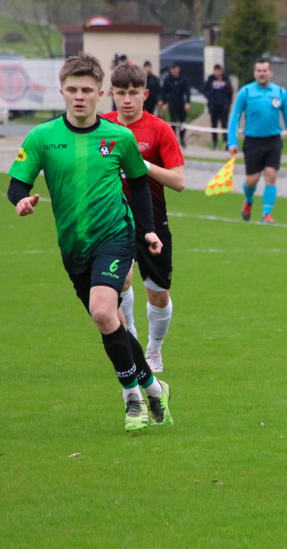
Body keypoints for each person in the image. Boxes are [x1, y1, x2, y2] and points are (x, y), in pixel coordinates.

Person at [6, 52, 173, 432]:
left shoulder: (119, 137)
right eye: (72, 90)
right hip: (73, 246)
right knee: (109, 321)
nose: (79, 96)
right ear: (61, 92)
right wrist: (22, 201)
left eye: (86, 90)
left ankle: (132, 398)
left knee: (103, 311)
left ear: (100, 94)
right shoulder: (42, 138)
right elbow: (17, 183)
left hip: (115, 237)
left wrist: (146, 229)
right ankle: (153, 385)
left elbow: (138, 185)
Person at [102, 64, 186, 374]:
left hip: (153, 221)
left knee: (158, 294)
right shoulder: (102, 126)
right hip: (113, 221)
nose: (126, 100)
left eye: (133, 93)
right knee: (120, 282)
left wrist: (141, 164)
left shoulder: (160, 130)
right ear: (111, 94)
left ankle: (154, 348)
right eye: (120, 93)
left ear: (145, 94)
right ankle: (132, 340)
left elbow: (179, 182)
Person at [227, 57, 287, 224]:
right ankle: (248, 201)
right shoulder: (246, 92)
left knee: (271, 175)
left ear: (270, 73)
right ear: (254, 73)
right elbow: (235, 118)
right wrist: (232, 141)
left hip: (273, 141)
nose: (261, 74)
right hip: (252, 142)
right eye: (258, 71)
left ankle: (266, 214)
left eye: (264, 71)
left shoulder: (280, 92)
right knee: (252, 180)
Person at [204, 64, 234, 151]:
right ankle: (214, 143)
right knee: (214, 125)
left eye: (219, 71)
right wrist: (210, 97)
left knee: (224, 125)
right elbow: (205, 90)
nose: (217, 73)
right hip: (213, 107)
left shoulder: (226, 80)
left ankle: (226, 143)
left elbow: (230, 93)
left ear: (222, 71)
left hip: (224, 108)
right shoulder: (210, 79)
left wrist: (228, 104)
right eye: (216, 71)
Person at [160, 63, 191, 147]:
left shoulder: (183, 79)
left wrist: (187, 102)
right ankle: (173, 139)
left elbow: (187, 92)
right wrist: (164, 103)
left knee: (182, 123)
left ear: (178, 70)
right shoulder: (167, 80)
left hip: (181, 104)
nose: (174, 73)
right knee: (173, 122)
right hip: (172, 104)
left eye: (175, 71)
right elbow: (164, 92)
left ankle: (182, 139)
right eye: (172, 71)